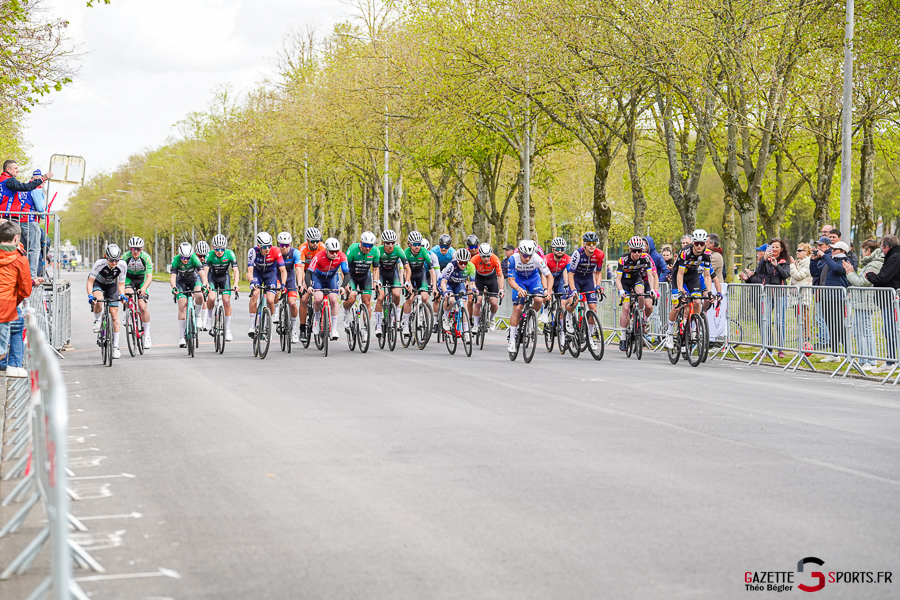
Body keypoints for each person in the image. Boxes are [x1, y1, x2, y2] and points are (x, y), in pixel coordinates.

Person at [665, 229, 722, 349]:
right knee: (677, 307)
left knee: (697, 301)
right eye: (697, 244)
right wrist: (680, 291)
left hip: (692, 275)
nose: (700, 246)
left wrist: (710, 292)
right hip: (678, 275)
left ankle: (695, 329)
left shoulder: (707, 254)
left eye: (702, 244)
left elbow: (707, 275)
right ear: (693, 243)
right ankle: (669, 332)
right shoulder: (685, 252)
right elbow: (680, 274)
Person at [843, 239, 883, 370]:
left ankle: (869, 360)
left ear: (868, 250)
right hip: (860, 302)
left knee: (865, 331)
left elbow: (862, 282)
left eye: (862, 249)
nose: (861, 251)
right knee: (857, 331)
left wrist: (849, 273)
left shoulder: (873, 264)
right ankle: (863, 359)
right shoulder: (869, 263)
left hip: (866, 302)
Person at [863, 235, 900, 373]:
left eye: (882, 247)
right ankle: (891, 360)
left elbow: (883, 277)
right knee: (890, 330)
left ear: (887, 247)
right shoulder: (894, 255)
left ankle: (891, 361)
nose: (882, 250)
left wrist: (870, 275)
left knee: (891, 330)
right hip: (890, 299)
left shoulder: (895, 257)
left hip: (891, 300)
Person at [505, 240, 551, 352]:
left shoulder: (537, 259)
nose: (527, 258)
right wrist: (518, 289)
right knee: (517, 308)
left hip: (533, 280)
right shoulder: (512, 259)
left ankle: (531, 316)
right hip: (519, 281)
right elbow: (510, 280)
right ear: (520, 252)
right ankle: (512, 341)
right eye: (525, 255)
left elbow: (549, 276)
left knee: (539, 299)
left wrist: (548, 291)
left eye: (530, 256)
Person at [0, 220, 33, 372]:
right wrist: (14, 302)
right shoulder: (20, 259)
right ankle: (14, 365)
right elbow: (25, 290)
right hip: (6, 308)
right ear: (16, 239)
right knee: (2, 348)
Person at [616, 236, 659, 350]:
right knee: (625, 308)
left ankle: (639, 316)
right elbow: (618, 279)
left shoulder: (645, 258)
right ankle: (623, 338)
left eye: (639, 251)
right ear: (630, 250)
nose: (637, 253)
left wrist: (652, 290)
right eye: (634, 251)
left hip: (636, 278)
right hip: (624, 282)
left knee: (640, 294)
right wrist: (621, 291)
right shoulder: (623, 259)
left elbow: (650, 275)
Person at [809, 239, 850, 360]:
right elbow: (815, 272)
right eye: (831, 249)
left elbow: (837, 269)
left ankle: (848, 353)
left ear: (842, 251)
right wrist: (813, 260)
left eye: (835, 249)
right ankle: (834, 353)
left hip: (837, 298)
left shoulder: (845, 261)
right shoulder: (830, 260)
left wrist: (825, 257)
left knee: (839, 326)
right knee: (831, 325)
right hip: (826, 297)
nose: (832, 251)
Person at [88, 244, 127, 358]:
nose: (114, 263)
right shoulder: (99, 264)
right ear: (106, 257)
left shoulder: (122, 265)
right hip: (98, 284)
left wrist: (122, 295)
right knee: (99, 300)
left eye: (116, 260)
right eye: (111, 260)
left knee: (115, 315)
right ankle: (97, 320)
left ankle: (115, 347)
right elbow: (90, 282)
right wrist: (90, 295)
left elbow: (121, 284)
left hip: (111, 286)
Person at [246, 232, 287, 338]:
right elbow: (249, 271)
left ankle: (268, 325)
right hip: (257, 274)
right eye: (265, 247)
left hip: (270, 274)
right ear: (259, 246)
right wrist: (252, 282)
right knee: (255, 293)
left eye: (269, 246)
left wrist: (283, 284)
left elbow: (283, 270)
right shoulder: (253, 252)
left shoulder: (276, 251)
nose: (267, 249)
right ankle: (251, 325)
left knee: (270, 300)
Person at [309, 238, 350, 340]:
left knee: (333, 299)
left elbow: (346, 273)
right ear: (326, 250)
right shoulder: (318, 256)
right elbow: (309, 273)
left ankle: (334, 330)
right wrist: (309, 285)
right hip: (318, 278)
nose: (335, 254)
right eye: (332, 252)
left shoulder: (342, 256)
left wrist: (343, 286)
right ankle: (317, 320)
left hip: (331, 278)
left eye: (337, 251)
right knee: (318, 298)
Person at [342, 231, 380, 338]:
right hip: (352, 276)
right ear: (360, 242)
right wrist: (346, 284)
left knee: (367, 301)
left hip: (365, 276)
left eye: (370, 246)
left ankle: (365, 328)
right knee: (352, 297)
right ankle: (346, 312)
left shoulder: (375, 252)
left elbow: (376, 269)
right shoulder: (352, 250)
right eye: (365, 245)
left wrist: (376, 281)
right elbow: (344, 269)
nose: (368, 248)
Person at [171, 242, 209, 347]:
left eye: (187, 258)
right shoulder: (175, 260)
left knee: (200, 295)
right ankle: (182, 337)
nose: (185, 260)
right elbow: (173, 277)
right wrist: (174, 287)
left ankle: (197, 316)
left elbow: (202, 274)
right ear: (180, 255)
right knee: (182, 305)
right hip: (181, 282)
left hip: (194, 280)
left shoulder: (195, 259)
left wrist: (204, 285)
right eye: (183, 257)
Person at [570, 231, 605, 345]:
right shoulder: (577, 254)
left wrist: (598, 285)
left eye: (593, 243)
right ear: (584, 244)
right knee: (574, 302)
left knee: (593, 308)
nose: (591, 245)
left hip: (588, 280)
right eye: (589, 243)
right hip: (576, 279)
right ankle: (569, 318)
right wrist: (573, 290)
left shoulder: (600, 254)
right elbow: (571, 274)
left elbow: (598, 273)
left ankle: (590, 336)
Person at [203, 234, 240, 342]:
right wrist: (206, 284)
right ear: (213, 247)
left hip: (224, 278)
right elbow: (205, 271)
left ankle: (227, 329)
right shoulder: (209, 255)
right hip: (212, 278)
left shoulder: (230, 254)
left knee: (226, 301)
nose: (219, 251)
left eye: (222, 249)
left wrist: (236, 283)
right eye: (217, 249)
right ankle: (209, 319)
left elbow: (236, 270)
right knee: (211, 298)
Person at [374, 229, 408, 339]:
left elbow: (407, 268)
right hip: (381, 273)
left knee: (397, 294)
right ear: (383, 243)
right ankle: (378, 325)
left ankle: (395, 315)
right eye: (388, 243)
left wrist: (407, 281)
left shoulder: (398, 250)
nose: (390, 245)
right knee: (380, 297)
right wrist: (377, 281)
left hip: (393, 273)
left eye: (392, 243)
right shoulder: (378, 251)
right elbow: (375, 269)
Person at [401, 231, 437, 334]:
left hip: (421, 275)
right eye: (414, 244)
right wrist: (408, 283)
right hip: (410, 275)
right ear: (409, 244)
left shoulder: (424, 252)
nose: (417, 247)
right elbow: (404, 270)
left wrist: (434, 287)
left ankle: (421, 314)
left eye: (419, 244)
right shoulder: (406, 253)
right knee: (410, 298)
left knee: (425, 297)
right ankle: (406, 326)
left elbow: (432, 271)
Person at [124, 237, 153, 348]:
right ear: (130, 249)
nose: (135, 252)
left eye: (138, 249)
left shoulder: (146, 258)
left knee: (142, 307)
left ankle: (147, 335)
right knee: (128, 293)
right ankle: (128, 310)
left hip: (142, 280)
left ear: (142, 249)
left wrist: (144, 288)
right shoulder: (125, 257)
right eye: (133, 249)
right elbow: (120, 275)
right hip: (128, 279)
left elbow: (149, 276)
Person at [438, 247, 475, 333]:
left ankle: (466, 330)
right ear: (457, 261)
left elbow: (472, 283)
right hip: (448, 283)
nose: (463, 265)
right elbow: (443, 282)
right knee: (450, 300)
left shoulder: (471, 267)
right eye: (461, 262)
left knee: (464, 303)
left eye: (465, 263)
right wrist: (446, 292)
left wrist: (474, 290)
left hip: (458, 284)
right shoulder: (451, 266)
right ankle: (445, 317)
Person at [470, 242, 505, 332]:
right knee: (478, 301)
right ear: (480, 255)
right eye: (484, 257)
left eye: (488, 256)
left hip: (491, 279)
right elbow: (469, 274)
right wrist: (471, 285)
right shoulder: (474, 259)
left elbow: (500, 275)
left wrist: (501, 289)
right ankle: (476, 325)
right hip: (479, 278)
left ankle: (492, 319)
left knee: (493, 303)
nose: (486, 259)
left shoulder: (495, 259)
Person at [544, 237, 576, 333]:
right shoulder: (546, 258)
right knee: (546, 294)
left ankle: (562, 328)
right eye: (557, 249)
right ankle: (545, 309)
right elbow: (542, 275)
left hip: (559, 279)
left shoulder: (567, 258)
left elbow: (569, 273)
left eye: (562, 249)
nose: (560, 251)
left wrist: (567, 285)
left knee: (562, 303)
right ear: (553, 249)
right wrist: (546, 289)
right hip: (547, 277)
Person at [276, 232, 303, 343]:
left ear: (290, 244)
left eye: (287, 245)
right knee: (276, 293)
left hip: (290, 277)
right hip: (277, 276)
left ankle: (293, 330)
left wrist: (300, 282)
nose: (285, 248)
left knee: (292, 303)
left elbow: (298, 269)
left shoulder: (295, 252)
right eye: (282, 245)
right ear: (279, 244)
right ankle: (276, 311)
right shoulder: (275, 252)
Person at [297, 227, 323, 340]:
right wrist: (303, 282)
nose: (315, 243)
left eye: (317, 241)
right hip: (306, 273)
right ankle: (302, 328)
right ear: (308, 240)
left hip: (318, 273)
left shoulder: (322, 247)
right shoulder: (302, 248)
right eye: (313, 241)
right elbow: (301, 268)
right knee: (304, 300)